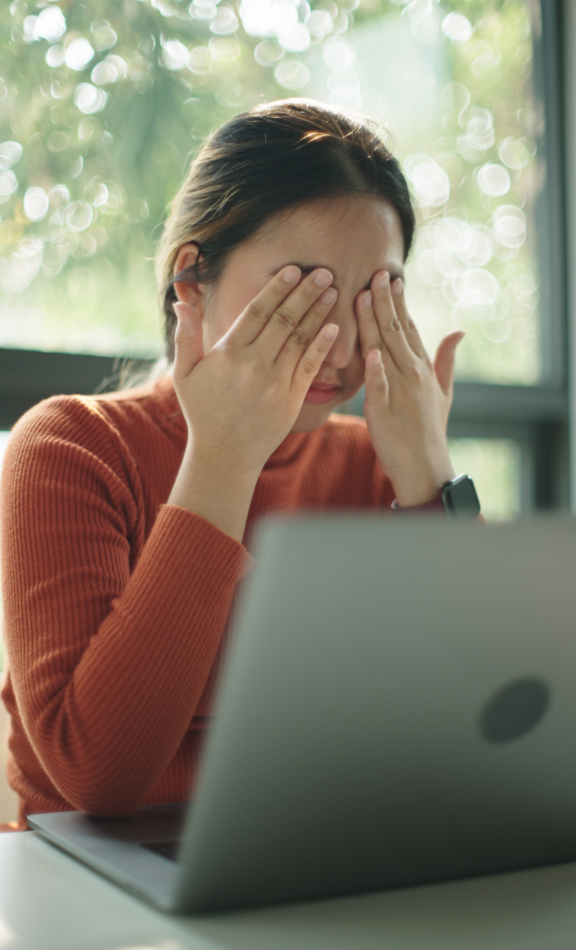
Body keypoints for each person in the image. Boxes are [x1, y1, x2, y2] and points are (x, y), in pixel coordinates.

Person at [0, 99, 465, 830]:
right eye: (305, 293)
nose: (343, 348)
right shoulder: (70, 448)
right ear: (191, 281)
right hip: (88, 877)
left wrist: (431, 480)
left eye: (375, 298)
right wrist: (224, 456)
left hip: (308, 852)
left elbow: (471, 740)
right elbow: (100, 776)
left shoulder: (378, 469)